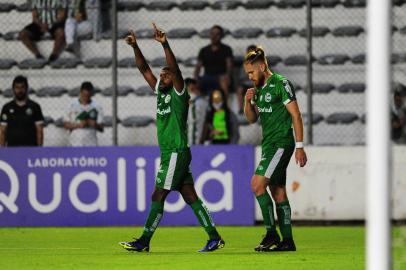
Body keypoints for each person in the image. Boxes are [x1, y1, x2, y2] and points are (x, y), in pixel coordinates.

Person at [119, 23, 225, 253]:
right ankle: (214, 237)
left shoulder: (179, 92)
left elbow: (175, 70)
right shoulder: (160, 92)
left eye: (165, 74)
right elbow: (144, 70)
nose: (161, 76)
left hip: (176, 152)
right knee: (190, 195)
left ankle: (144, 241)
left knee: (158, 194)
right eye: (162, 74)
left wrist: (165, 44)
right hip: (172, 152)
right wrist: (135, 47)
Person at [243, 46, 307, 252]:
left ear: (262, 66)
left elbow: (296, 115)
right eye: (248, 74)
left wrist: (300, 146)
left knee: (257, 185)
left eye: (252, 72)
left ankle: (271, 234)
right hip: (269, 143)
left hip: (281, 142)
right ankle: (287, 241)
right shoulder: (259, 89)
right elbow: (252, 119)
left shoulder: (281, 84)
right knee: (277, 190)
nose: (250, 76)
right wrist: (247, 101)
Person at [0, 75, 44, 147]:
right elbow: (2, 131)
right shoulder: (6, 108)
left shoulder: (35, 106)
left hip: (30, 148)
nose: (20, 90)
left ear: (26, 88)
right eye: (17, 87)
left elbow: (39, 131)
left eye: (22, 87)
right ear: (13, 89)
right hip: (12, 148)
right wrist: (2, 151)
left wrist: (39, 150)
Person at [194, 25, 234, 94]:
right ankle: (199, 103)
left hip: (221, 76)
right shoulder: (204, 50)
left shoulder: (226, 49)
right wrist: (195, 77)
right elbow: (198, 67)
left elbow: (229, 65)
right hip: (207, 77)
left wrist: (228, 75)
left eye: (217, 34)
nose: (214, 36)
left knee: (224, 81)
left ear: (221, 36)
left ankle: (225, 104)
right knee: (192, 84)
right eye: (212, 34)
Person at [63, 81, 104, 146]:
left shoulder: (97, 106)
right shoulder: (71, 105)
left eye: (88, 96)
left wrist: (94, 124)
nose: (86, 98)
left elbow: (102, 128)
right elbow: (65, 125)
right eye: (84, 95)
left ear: (91, 94)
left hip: (91, 143)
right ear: (81, 92)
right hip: (75, 143)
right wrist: (79, 125)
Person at [185, 78, 208, 145]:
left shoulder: (201, 102)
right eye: (192, 89)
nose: (194, 92)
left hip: (195, 136)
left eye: (195, 89)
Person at [237, 44, 257, 114]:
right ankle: (241, 109)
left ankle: (257, 109)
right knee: (239, 89)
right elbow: (242, 77)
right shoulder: (245, 64)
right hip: (245, 83)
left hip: (256, 83)